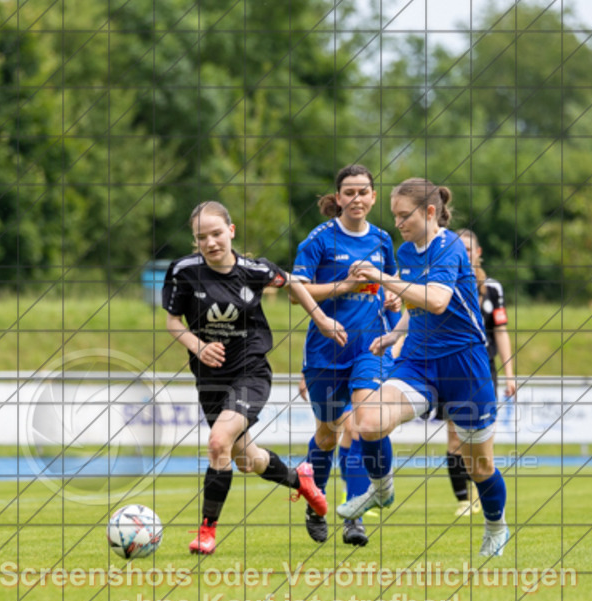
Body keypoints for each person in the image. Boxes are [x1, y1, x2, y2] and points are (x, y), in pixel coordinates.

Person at [162, 200, 348, 554]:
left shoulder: (254, 270)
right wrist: (198, 347)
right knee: (247, 460)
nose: (210, 242)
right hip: (210, 378)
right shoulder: (183, 272)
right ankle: (300, 479)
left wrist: (322, 319)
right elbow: (173, 322)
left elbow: (292, 282)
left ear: (231, 231)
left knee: (218, 443)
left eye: (216, 233)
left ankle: (206, 531)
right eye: (201, 237)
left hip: (250, 371)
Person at [341, 178, 511, 558]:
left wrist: (381, 277)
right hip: (418, 361)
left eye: (405, 215)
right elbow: (417, 306)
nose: (398, 223)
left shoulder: (449, 246)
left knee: (479, 466)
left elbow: (436, 300)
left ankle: (496, 526)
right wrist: (395, 334)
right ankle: (381, 490)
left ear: (430, 212)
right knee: (368, 422)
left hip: (464, 366)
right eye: (395, 215)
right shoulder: (406, 251)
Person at [291, 164, 399, 547]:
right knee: (327, 436)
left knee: (361, 424)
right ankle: (315, 501)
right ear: (338, 198)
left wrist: (395, 300)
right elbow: (295, 290)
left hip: (370, 348)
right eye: (349, 192)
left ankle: (355, 515)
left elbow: (392, 287)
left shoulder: (383, 240)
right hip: (326, 351)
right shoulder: (319, 239)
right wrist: (345, 285)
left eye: (363, 192)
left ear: (373, 196)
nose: (356, 198)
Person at [444, 228, 517, 517]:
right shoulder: (443, 282)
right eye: (459, 248)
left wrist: (510, 373)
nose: (464, 253)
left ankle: (481, 494)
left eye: (468, 248)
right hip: (452, 368)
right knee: (455, 438)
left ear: (478, 252)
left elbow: (500, 331)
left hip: (484, 370)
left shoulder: (493, 288)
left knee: (483, 439)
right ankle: (463, 499)